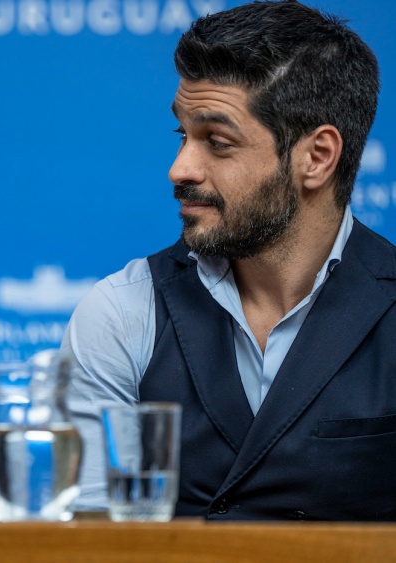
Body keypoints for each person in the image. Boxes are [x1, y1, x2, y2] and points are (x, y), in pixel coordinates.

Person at [63, 0, 395, 520]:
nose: (180, 169)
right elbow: (83, 545)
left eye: (217, 142)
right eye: (183, 135)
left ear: (317, 157)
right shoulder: (121, 313)